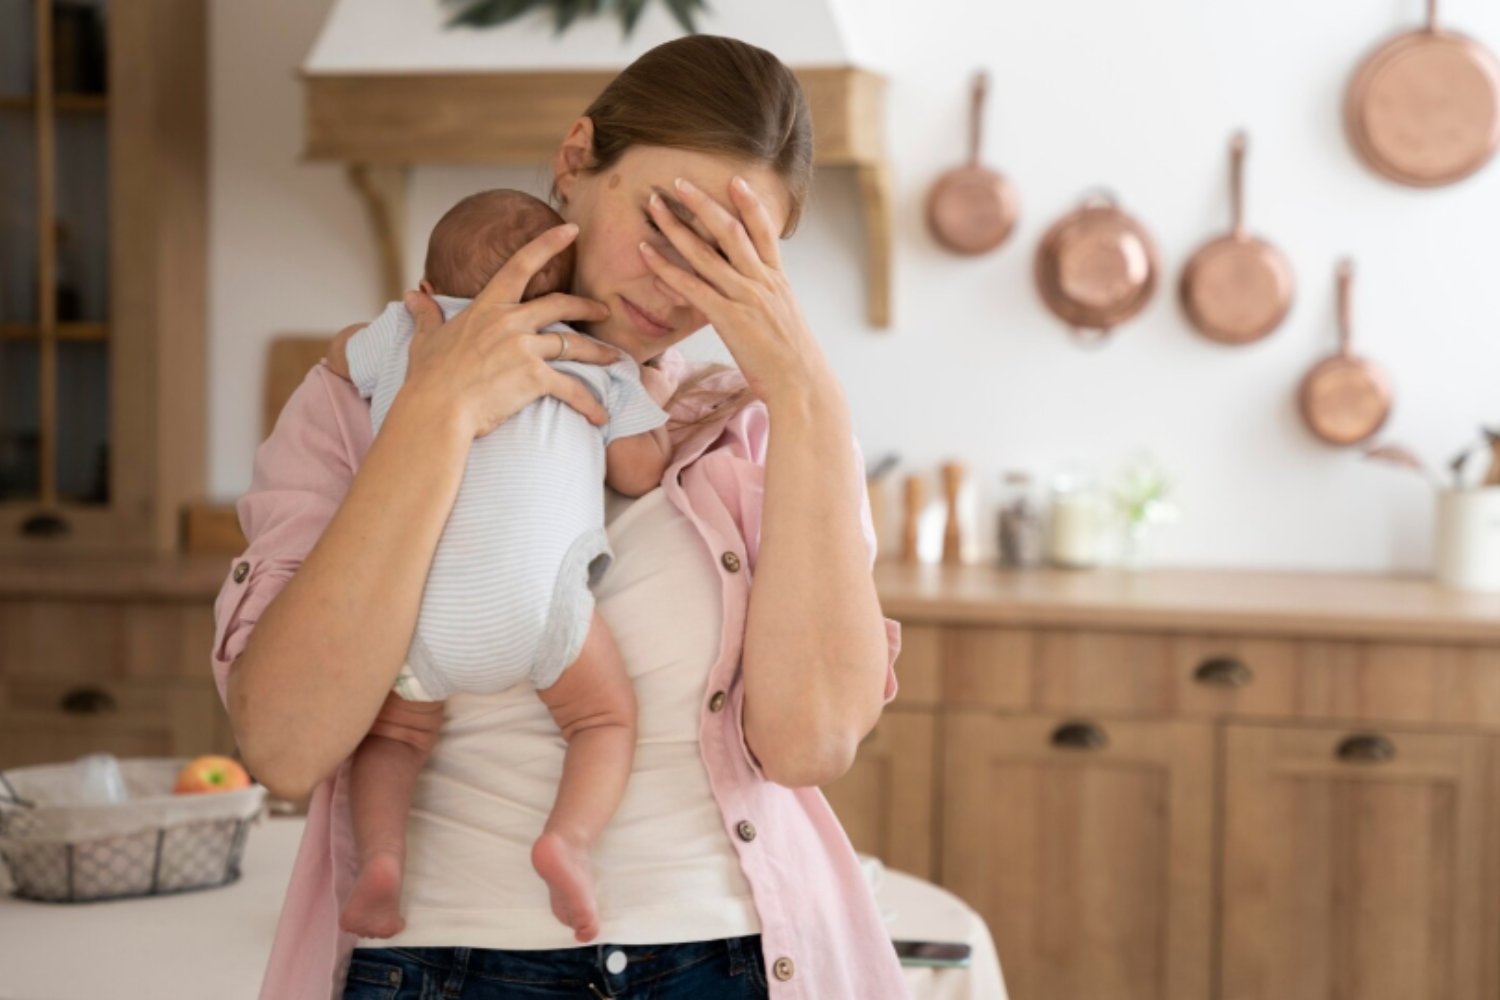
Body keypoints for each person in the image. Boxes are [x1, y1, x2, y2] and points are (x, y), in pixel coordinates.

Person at [212, 34, 907, 999]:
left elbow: (810, 743)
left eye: (731, 259)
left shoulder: (755, 432)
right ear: (576, 162)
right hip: (436, 966)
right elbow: (285, 744)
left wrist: (806, 392)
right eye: (666, 228)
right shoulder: (359, 399)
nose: (677, 288)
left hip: (734, 960)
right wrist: (436, 414)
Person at [326, 187, 677, 943]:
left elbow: (333, 359)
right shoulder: (595, 357)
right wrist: (649, 395)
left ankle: (380, 864)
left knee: (392, 739)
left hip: (416, 608)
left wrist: (393, 327)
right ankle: (568, 842)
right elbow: (642, 473)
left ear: (426, 291)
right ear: (573, 296)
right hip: (539, 607)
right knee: (603, 719)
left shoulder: (405, 334)